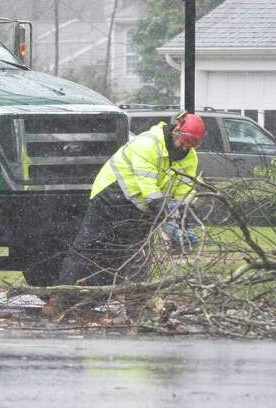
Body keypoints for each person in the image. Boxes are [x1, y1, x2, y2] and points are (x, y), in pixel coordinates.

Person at [46, 112, 205, 316]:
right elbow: (149, 189)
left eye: (192, 144)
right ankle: (60, 299)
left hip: (144, 206)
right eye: (185, 141)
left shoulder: (190, 158)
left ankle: (135, 308)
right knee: (88, 249)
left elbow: (183, 192)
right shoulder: (148, 144)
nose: (185, 147)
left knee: (137, 255)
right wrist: (168, 221)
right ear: (176, 130)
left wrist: (184, 221)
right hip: (112, 195)